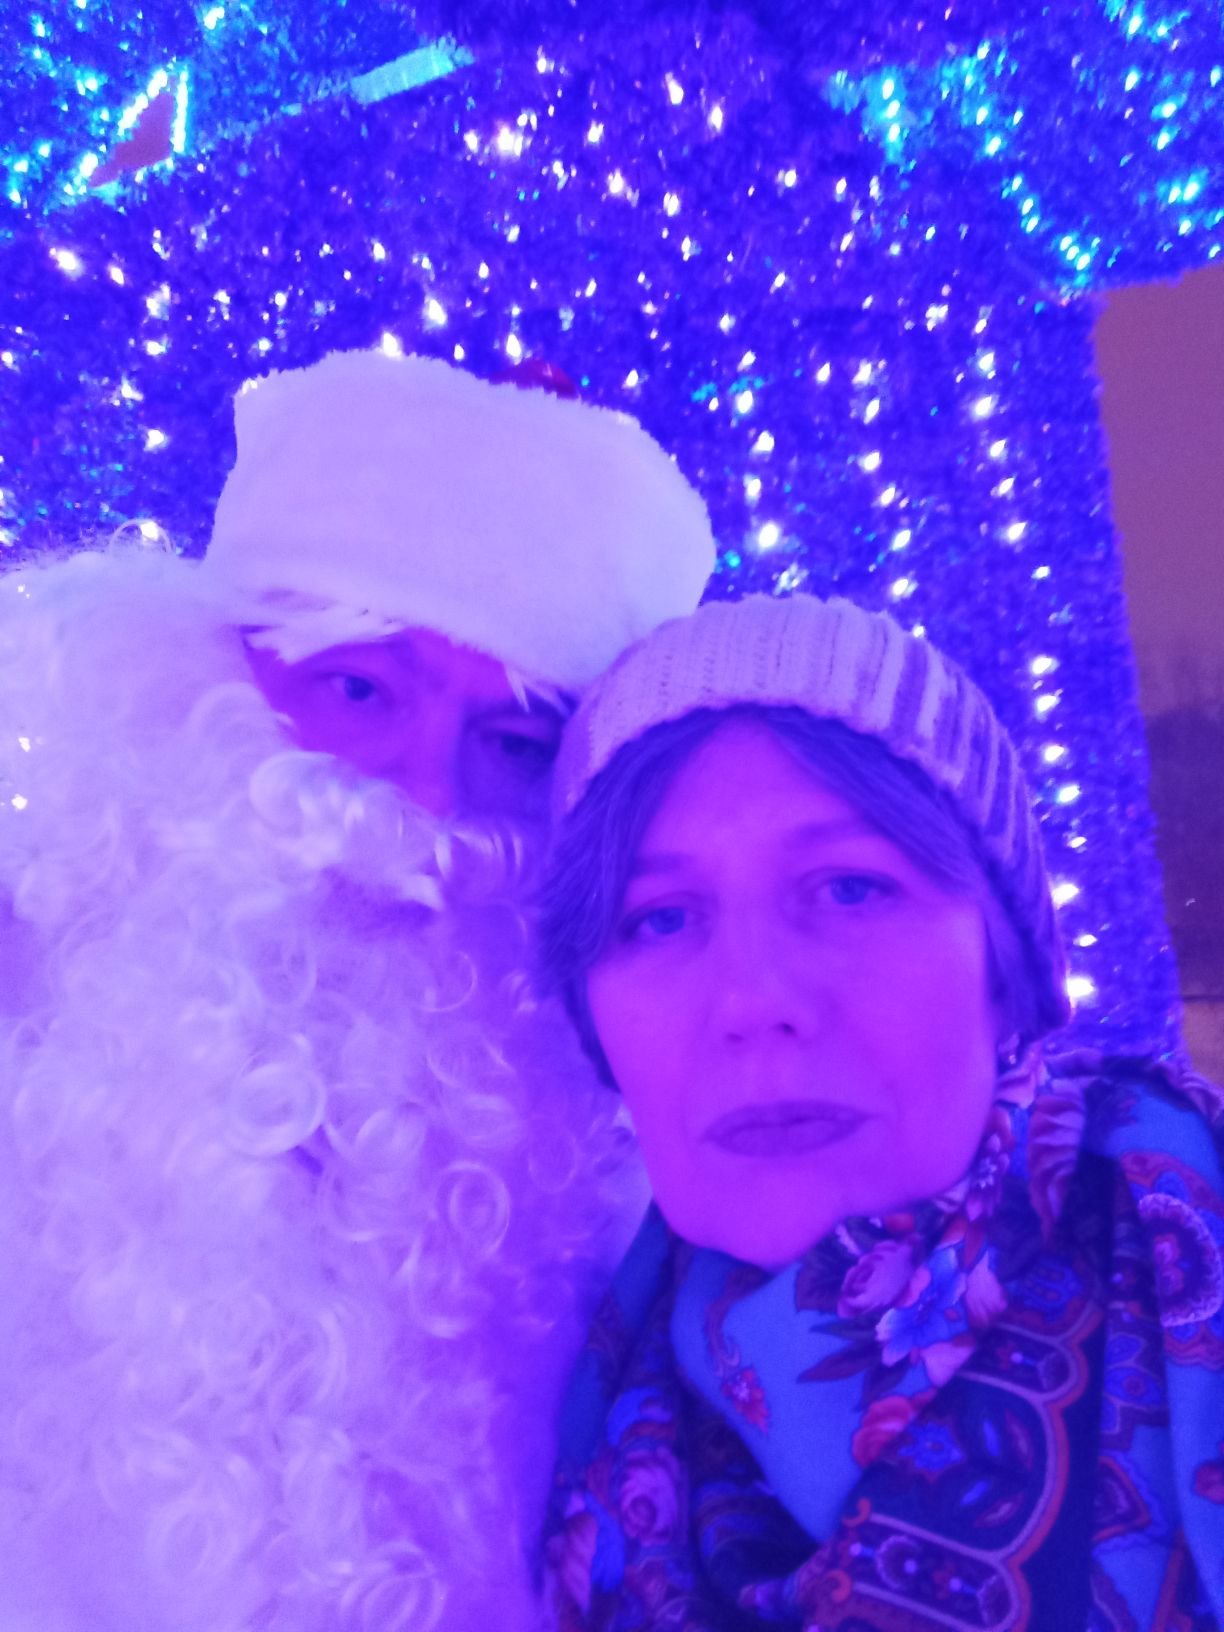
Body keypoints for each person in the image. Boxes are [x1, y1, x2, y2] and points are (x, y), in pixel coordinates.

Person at [0, 349, 714, 1631]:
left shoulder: (611, 1164)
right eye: (358, 690)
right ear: (198, 671)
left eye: (513, 745)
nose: (423, 798)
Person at [538, 592, 1224, 1631]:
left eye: (850, 889)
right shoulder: (532, 1415)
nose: (754, 1001)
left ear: (1004, 970)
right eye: (660, 918)